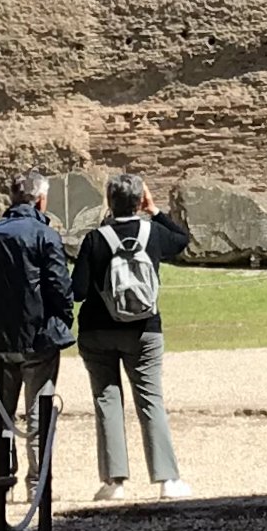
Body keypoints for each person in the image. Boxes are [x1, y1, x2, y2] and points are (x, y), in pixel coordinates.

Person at [70, 172, 194, 502]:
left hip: (97, 331)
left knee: (107, 402)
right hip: (144, 331)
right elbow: (182, 240)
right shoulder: (153, 233)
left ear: (109, 202)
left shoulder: (95, 240)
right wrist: (155, 211)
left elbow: (79, 291)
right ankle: (167, 480)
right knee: (151, 401)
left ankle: (115, 483)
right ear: (139, 201)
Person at [0, 172, 75, 460]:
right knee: (38, 416)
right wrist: (62, 323)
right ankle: (37, 487)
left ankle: (0, 481)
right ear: (41, 200)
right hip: (37, 337)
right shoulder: (46, 235)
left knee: (2, 416)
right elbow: (60, 287)